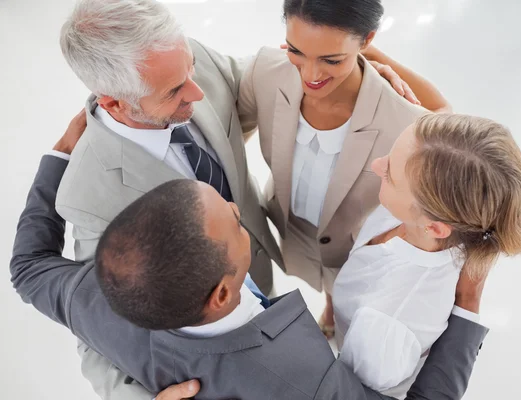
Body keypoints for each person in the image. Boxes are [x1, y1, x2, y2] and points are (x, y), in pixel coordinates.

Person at [53, 0, 420, 397]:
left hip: (262, 268)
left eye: (190, 67)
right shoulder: (90, 192)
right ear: (113, 102)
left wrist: (359, 73)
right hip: (215, 335)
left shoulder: (184, 63)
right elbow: (90, 319)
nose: (198, 90)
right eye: (176, 90)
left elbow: (272, 76)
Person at [10, 132, 489, 399]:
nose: (241, 209)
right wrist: (467, 305)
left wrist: (59, 153)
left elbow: (28, 267)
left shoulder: (91, 296)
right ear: (221, 293)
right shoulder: (303, 381)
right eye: (236, 226)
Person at [236, 0, 452, 336]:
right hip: (291, 222)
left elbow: (446, 125)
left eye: (330, 59)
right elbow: (232, 132)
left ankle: (334, 309)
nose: (310, 75)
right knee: (318, 273)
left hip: (354, 241)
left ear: (367, 40)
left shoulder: (405, 121)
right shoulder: (265, 70)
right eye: (297, 51)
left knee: (343, 288)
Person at [330, 114, 521, 398]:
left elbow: (347, 390)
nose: (377, 164)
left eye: (390, 174)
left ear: (435, 226)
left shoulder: (389, 323)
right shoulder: (417, 206)